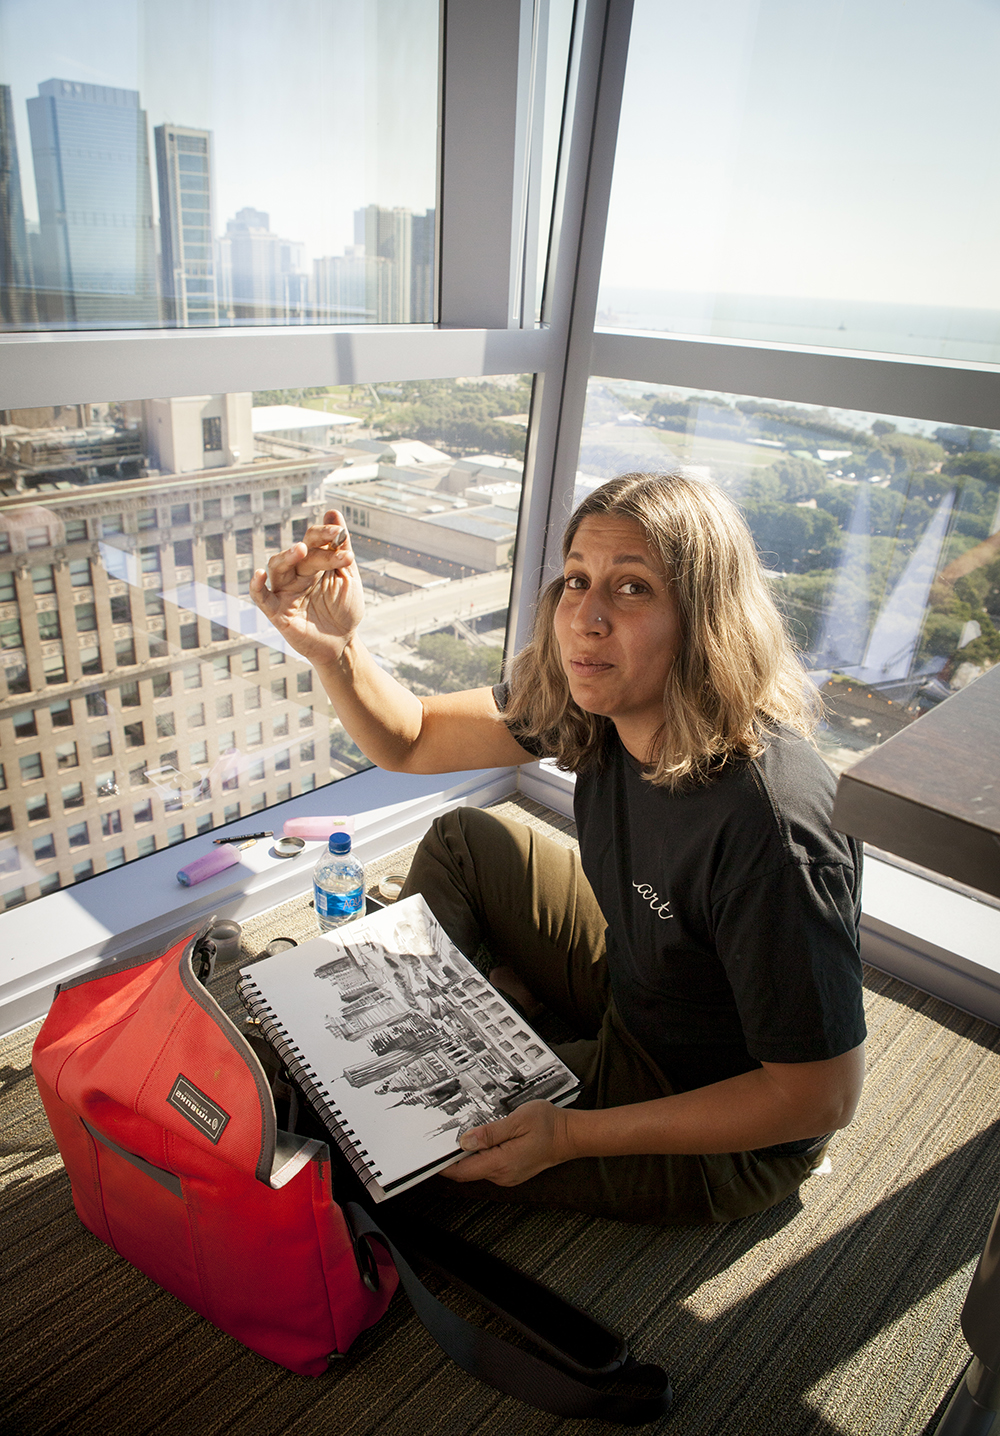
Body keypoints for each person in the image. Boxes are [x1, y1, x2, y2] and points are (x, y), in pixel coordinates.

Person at [250, 471, 866, 1226]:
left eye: (632, 588)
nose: (587, 618)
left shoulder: (773, 829)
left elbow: (819, 1098)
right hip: (641, 982)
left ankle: (504, 1037)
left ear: (705, 618)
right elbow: (411, 738)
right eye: (577, 580)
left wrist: (569, 1136)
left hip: (712, 1114)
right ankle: (486, 1021)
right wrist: (337, 650)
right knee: (464, 842)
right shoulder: (604, 702)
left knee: (399, 1138)